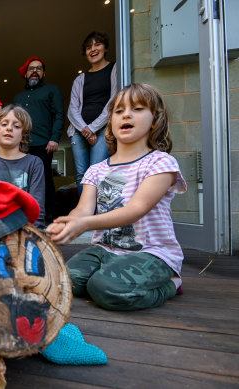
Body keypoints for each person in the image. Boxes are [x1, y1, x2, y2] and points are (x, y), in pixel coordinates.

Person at [46, 83, 187, 311]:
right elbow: (83, 209)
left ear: (155, 119)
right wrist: (69, 222)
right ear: (111, 121)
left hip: (151, 252)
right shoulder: (97, 169)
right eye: (119, 111)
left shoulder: (161, 163)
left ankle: (171, 284)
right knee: (63, 281)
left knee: (105, 290)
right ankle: (105, 277)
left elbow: (135, 209)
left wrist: (84, 224)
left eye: (138, 108)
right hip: (104, 249)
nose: (126, 115)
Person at [13, 56, 64, 225]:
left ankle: (48, 220)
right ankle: (23, 219)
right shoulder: (18, 97)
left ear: (43, 73)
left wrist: (54, 138)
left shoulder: (52, 90)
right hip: (21, 145)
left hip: (43, 144)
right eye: (31, 68)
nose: (35, 71)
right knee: (20, 182)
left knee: (44, 182)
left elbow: (59, 115)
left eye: (39, 68)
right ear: (26, 74)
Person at [67, 31, 118, 195]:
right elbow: (72, 109)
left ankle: (98, 216)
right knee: (82, 174)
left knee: (97, 172)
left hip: (102, 130)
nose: (93, 49)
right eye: (89, 47)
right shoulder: (80, 79)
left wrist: (93, 128)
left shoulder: (115, 69)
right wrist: (85, 129)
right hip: (78, 131)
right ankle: (86, 215)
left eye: (97, 45)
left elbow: (114, 101)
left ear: (105, 48)